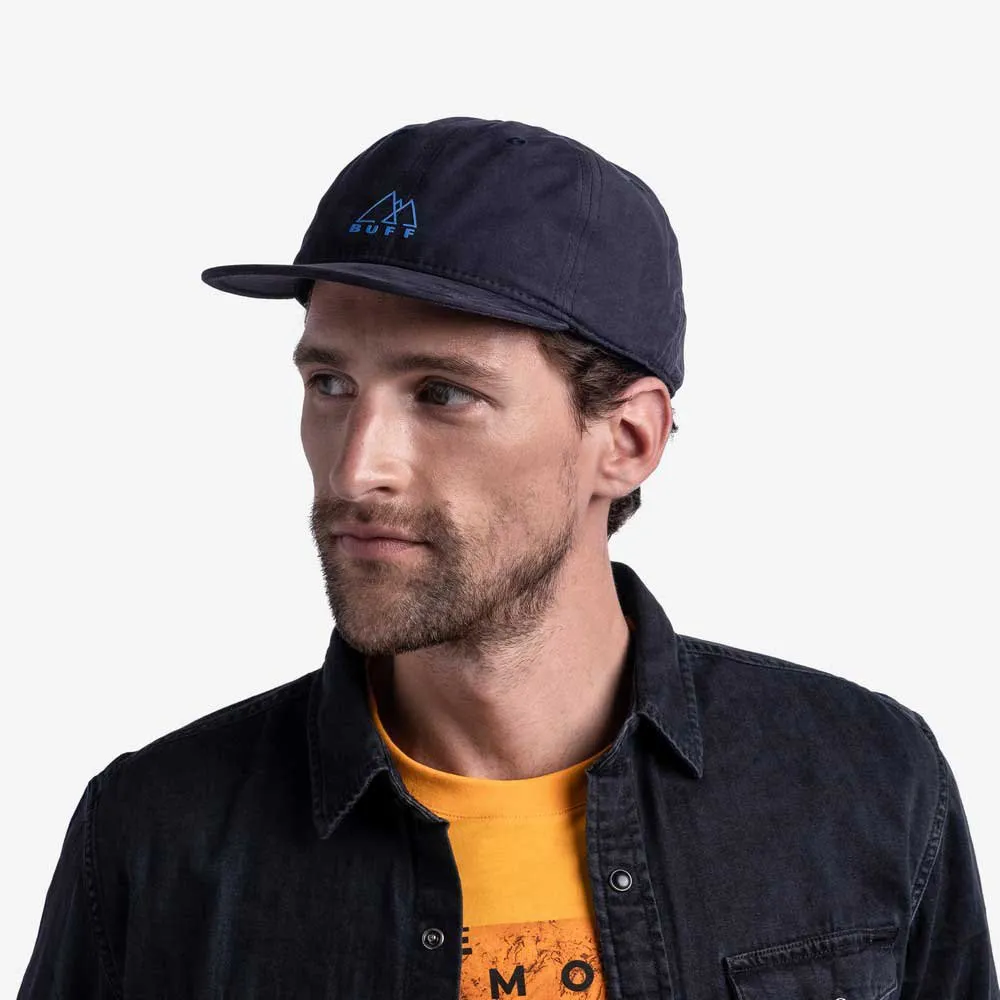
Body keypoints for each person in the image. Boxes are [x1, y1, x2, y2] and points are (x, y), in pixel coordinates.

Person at [19, 116, 997, 998]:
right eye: (330, 384)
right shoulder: (155, 836)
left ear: (627, 440)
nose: (359, 467)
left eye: (442, 393)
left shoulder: (863, 782)